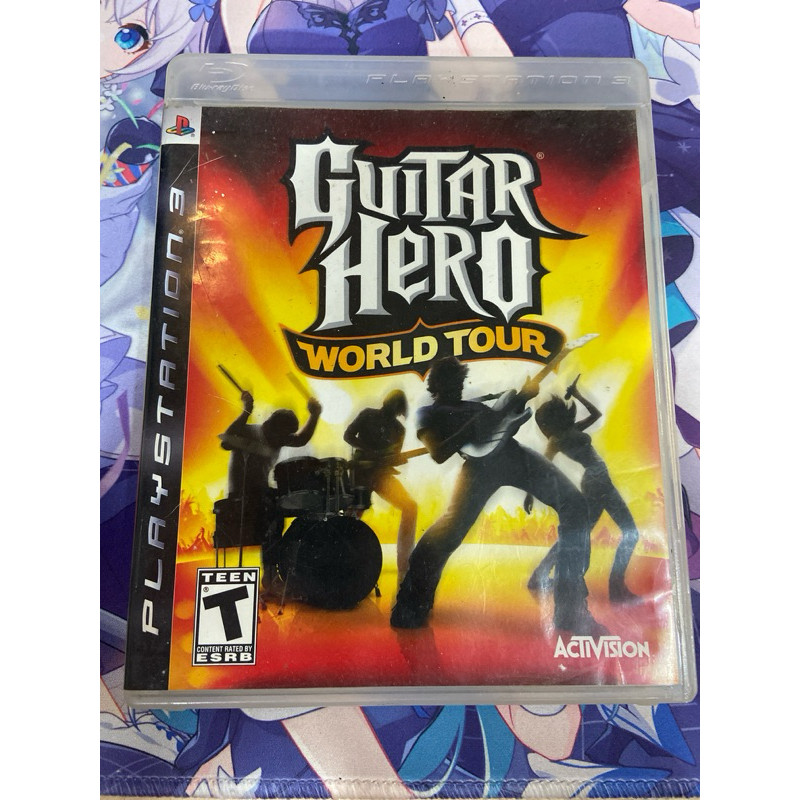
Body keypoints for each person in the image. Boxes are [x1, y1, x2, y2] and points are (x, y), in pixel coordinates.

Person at [390, 356, 599, 634]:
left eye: (461, 382)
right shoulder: (428, 414)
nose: (459, 388)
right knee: (447, 532)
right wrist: (470, 428)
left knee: (575, 504)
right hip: (478, 469)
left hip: (513, 455)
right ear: (436, 385)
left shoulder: (476, 406)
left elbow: (503, 422)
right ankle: (410, 604)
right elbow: (438, 453)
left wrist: (522, 398)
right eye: (453, 383)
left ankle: (570, 611)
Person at [528, 377, 640, 603]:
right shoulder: (557, 439)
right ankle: (616, 589)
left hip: (599, 481)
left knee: (581, 533)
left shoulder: (571, 429)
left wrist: (578, 394)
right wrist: (530, 494)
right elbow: (543, 466)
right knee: (627, 532)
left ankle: (539, 574)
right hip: (596, 482)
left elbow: (596, 414)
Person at [220, 390, 322, 600]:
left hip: (262, 490)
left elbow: (301, 439)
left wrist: (314, 415)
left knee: (294, 506)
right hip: (242, 491)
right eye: (281, 437)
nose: (283, 441)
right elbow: (225, 442)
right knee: (273, 519)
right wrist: (246, 412)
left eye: (285, 438)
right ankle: (270, 575)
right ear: (269, 426)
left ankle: (286, 566)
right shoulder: (249, 432)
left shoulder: (278, 437)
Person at [344, 390, 419, 582]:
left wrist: (397, 460)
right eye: (390, 403)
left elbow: (392, 457)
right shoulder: (367, 414)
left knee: (410, 507)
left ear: (399, 409)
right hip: (361, 471)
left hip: (382, 474)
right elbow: (348, 435)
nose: (392, 409)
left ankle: (405, 563)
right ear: (385, 402)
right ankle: (342, 557)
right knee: (354, 514)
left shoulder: (399, 430)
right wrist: (369, 451)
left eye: (396, 406)